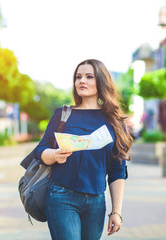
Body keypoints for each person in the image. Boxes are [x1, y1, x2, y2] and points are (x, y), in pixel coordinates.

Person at [34, 59, 133, 240]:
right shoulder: (62, 115)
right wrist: (55, 155)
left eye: (89, 76)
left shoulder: (114, 121)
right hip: (61, 196)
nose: (82, 81)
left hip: (97, 202)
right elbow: (40, 151)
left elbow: (117, 171)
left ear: (101, 81)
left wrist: (116, 212)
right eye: (78, 77)